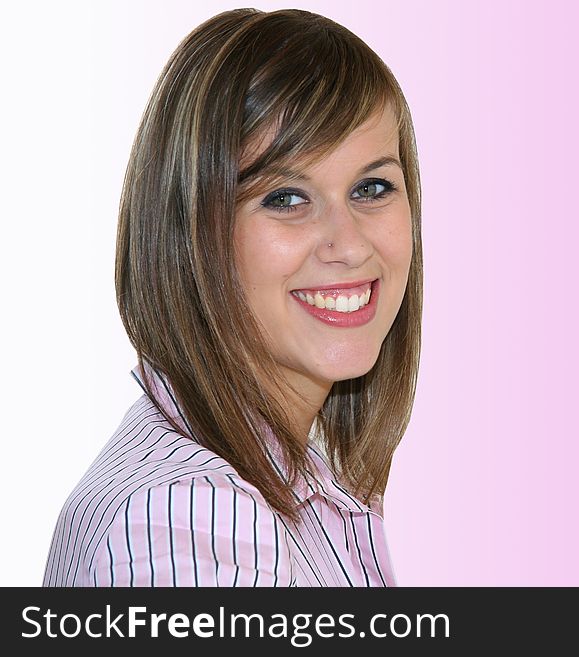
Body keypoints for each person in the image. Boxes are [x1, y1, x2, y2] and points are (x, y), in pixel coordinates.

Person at [42, 7, 422, 587]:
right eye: (286, 198)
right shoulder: (191, 525)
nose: (349, 245)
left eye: (372, 188)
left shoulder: (299, 483)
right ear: (194, 232)